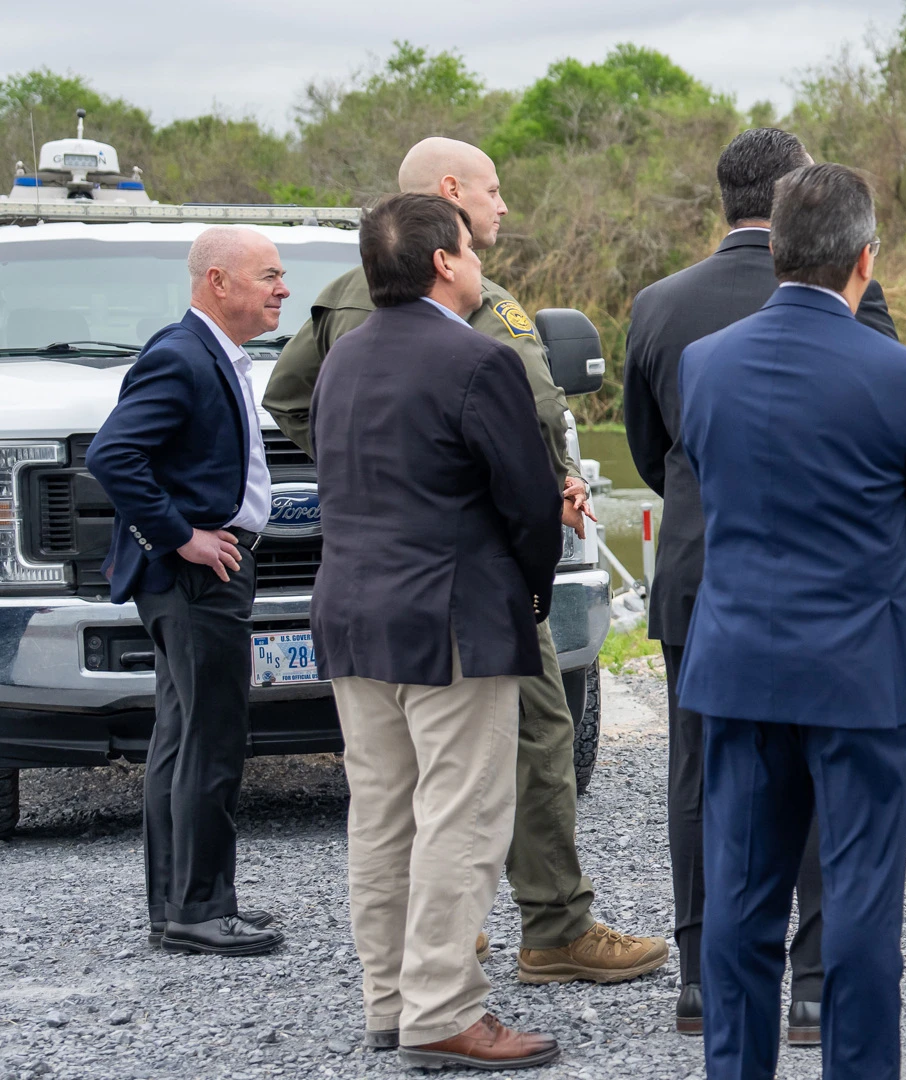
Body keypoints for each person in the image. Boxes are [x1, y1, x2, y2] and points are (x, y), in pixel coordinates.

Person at [264, 138, 665, 987]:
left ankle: (426, 960)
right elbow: (517, 433)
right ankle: (543, 931)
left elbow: (292, 397)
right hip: (473, 580)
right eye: (491, 192)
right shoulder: (463, 308)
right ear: (450, 212)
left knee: (395, 788)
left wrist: (375, 472)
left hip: (375, 584)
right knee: (515, 752)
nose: (503, 207)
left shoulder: (344, 300)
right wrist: (508, 513)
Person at [676, 163, 906, 1080]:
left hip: (738, 660)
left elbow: (707, 482)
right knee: (858, 908)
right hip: (860, 672)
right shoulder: (902, 375)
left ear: (774, 250)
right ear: (865, 260)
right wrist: (887, 574)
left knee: (739, 900)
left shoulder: (705, 362)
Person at [623, 127, 900, 1041]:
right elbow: (891, 446)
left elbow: (652, 453)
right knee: (825, 780)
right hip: (830, 585)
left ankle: (704, 980)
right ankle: (815, 985)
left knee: (702, 774)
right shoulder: (856, 298)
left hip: (702, 573)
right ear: (796, 197)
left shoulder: (658, 305)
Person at [311, 194, 562, 1069]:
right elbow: (529, 502)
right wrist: (531, 594)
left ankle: (390, 1000)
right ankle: (444, 1010)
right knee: (461, 815)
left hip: (351, 611)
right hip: (452, 616)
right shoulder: (477, 359)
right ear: (447, 262)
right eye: (470, 246)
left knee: (381, 814)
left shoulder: (338, 360)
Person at [89, 226, 288, 958]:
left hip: (199, 576)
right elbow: (113, 454)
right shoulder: (180, 356)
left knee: (179, 740)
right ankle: (201, 910)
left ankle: (177, 906)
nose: (281, 289)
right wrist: (182, 536)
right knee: (210, 741)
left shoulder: (212, 354)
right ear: (218, 282)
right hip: (197, 575)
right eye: (268, 275)